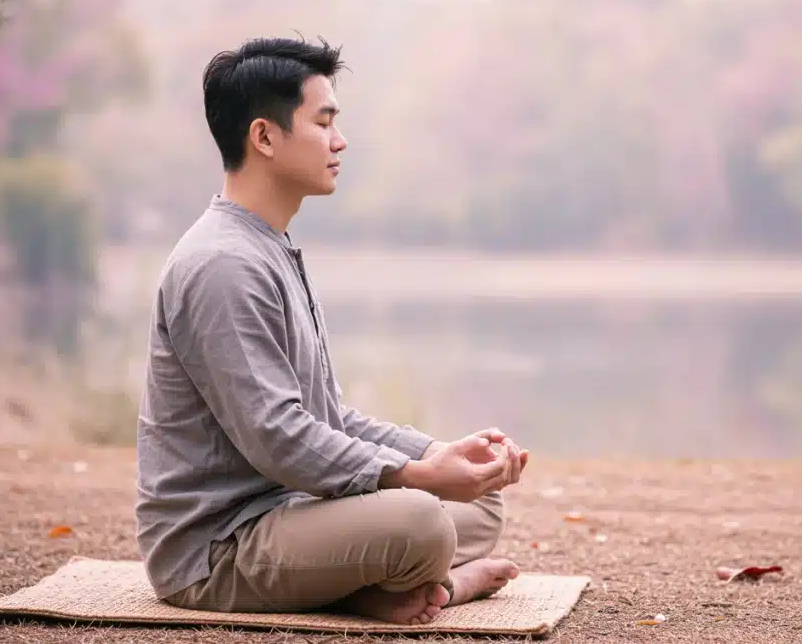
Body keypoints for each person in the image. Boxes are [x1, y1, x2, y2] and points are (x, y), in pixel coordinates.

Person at [134, 35, 529, 626]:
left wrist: (435, 454)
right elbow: (278, 436)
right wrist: (418, 477)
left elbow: (329, 418)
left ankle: (380, 587)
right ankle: (434, 586)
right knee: (423, 521)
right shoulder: (222, 264)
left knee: (480, 503)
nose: (339, 141)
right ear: (264, 137)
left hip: (295, 509)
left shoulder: (268, 246)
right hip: (220, 546)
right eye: (323, 123)